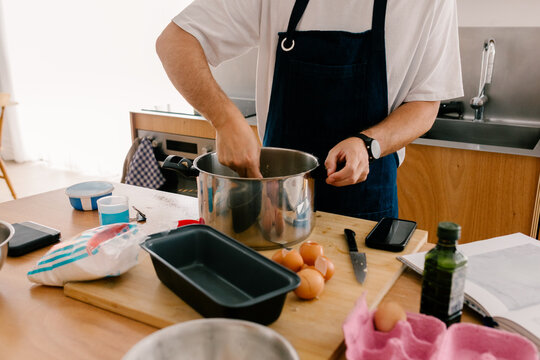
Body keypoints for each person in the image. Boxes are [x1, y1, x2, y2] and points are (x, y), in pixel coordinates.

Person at [156, 0, 463, 221]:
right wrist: (224, 119)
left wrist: (367, 143)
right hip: (276, 198)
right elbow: (174, 41)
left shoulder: (430, 4)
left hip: (367, 202)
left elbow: (425, 104)